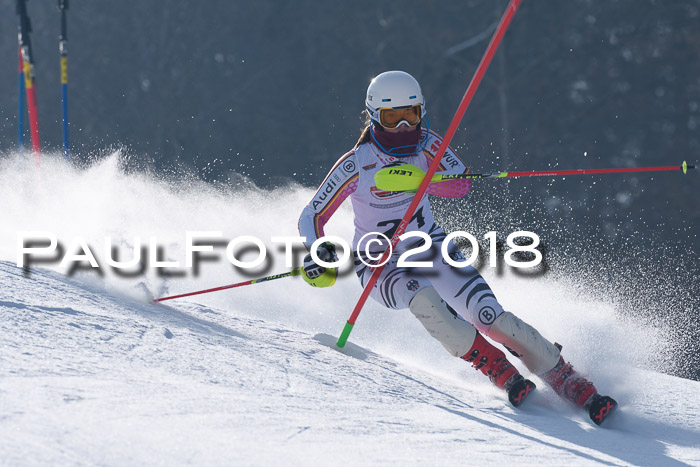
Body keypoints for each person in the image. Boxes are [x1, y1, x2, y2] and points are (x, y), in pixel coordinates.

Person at [297, 70, 617, 424]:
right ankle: (496, 367)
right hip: (378, 262)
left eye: (412, 114)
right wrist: (318, 250)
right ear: (374, 116)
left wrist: (422, 180)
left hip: (430, 246)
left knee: (489, 316)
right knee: (425, 300)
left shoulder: (430, 145)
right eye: (392, 117)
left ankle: (567, 378)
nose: (404, 126)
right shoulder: (357, 163)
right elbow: (311, 215)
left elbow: (460, 184)